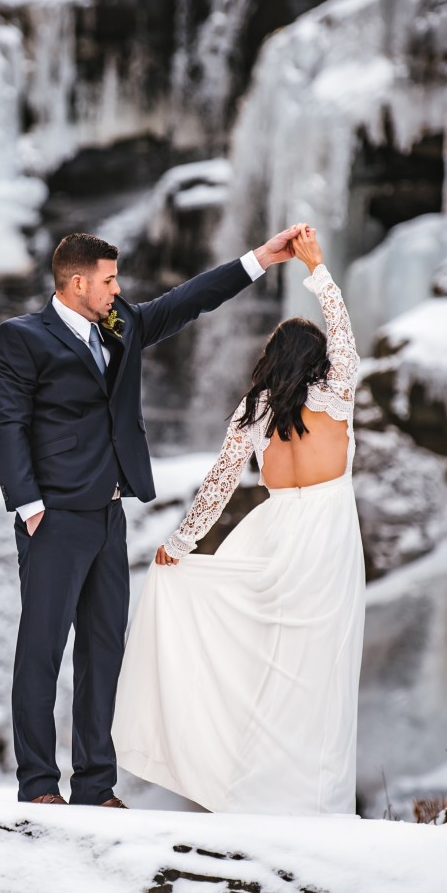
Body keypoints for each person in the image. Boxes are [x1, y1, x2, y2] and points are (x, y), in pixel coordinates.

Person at [0, 224, 308, 807]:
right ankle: (37, 785)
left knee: (103, 651)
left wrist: (260, 259)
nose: (117, 289)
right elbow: (5, 422)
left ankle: (94, 785)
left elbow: (187, 301)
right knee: (42, 650)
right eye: (109, 280)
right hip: (53, 517)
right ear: (77, 282)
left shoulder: (120, 324)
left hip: (110, 514)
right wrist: (28, 504)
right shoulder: (20, 338)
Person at [113, 226, 367, 815]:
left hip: (271, 536)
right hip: (326, 538)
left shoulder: (253, 413)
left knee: (264, 668)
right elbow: (348, 342)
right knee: (320, 673)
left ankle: (252, 791)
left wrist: (180, 544)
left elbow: (220, 485)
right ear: (319, 362)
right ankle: (315, 802)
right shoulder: (336, 395)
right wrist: (318, 270)